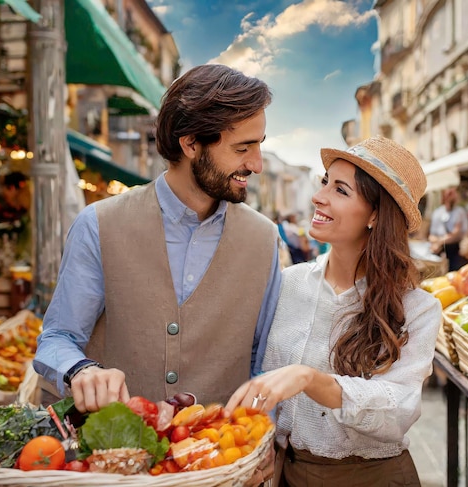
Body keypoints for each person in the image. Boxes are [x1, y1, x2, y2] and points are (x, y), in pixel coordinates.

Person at [33, 64, 282, 416]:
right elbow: (58, 339)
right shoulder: (98, 224)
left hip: (219, 461)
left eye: (259, 146)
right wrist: (80, 370)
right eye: (243, 148)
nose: (256, 164)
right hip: (114, 458)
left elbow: (265, 363)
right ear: (191, 143)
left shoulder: (263, 238)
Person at [225, 136, 442, 487]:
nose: (318, 197)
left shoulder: (417, 308)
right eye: (325, 181)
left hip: (370, 478)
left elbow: (398, 410)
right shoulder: (288, 284)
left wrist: (311, 379)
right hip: (285, 472)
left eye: (341, 190)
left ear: (375, 214)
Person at [428, 187, 468, 271]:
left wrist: (439, 243)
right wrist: (437, 243)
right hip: (440, 250)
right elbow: (431, 235)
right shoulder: (437, 212)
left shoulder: (460, 212)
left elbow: (457, 234)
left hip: (455, 249)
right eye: (449, 193)